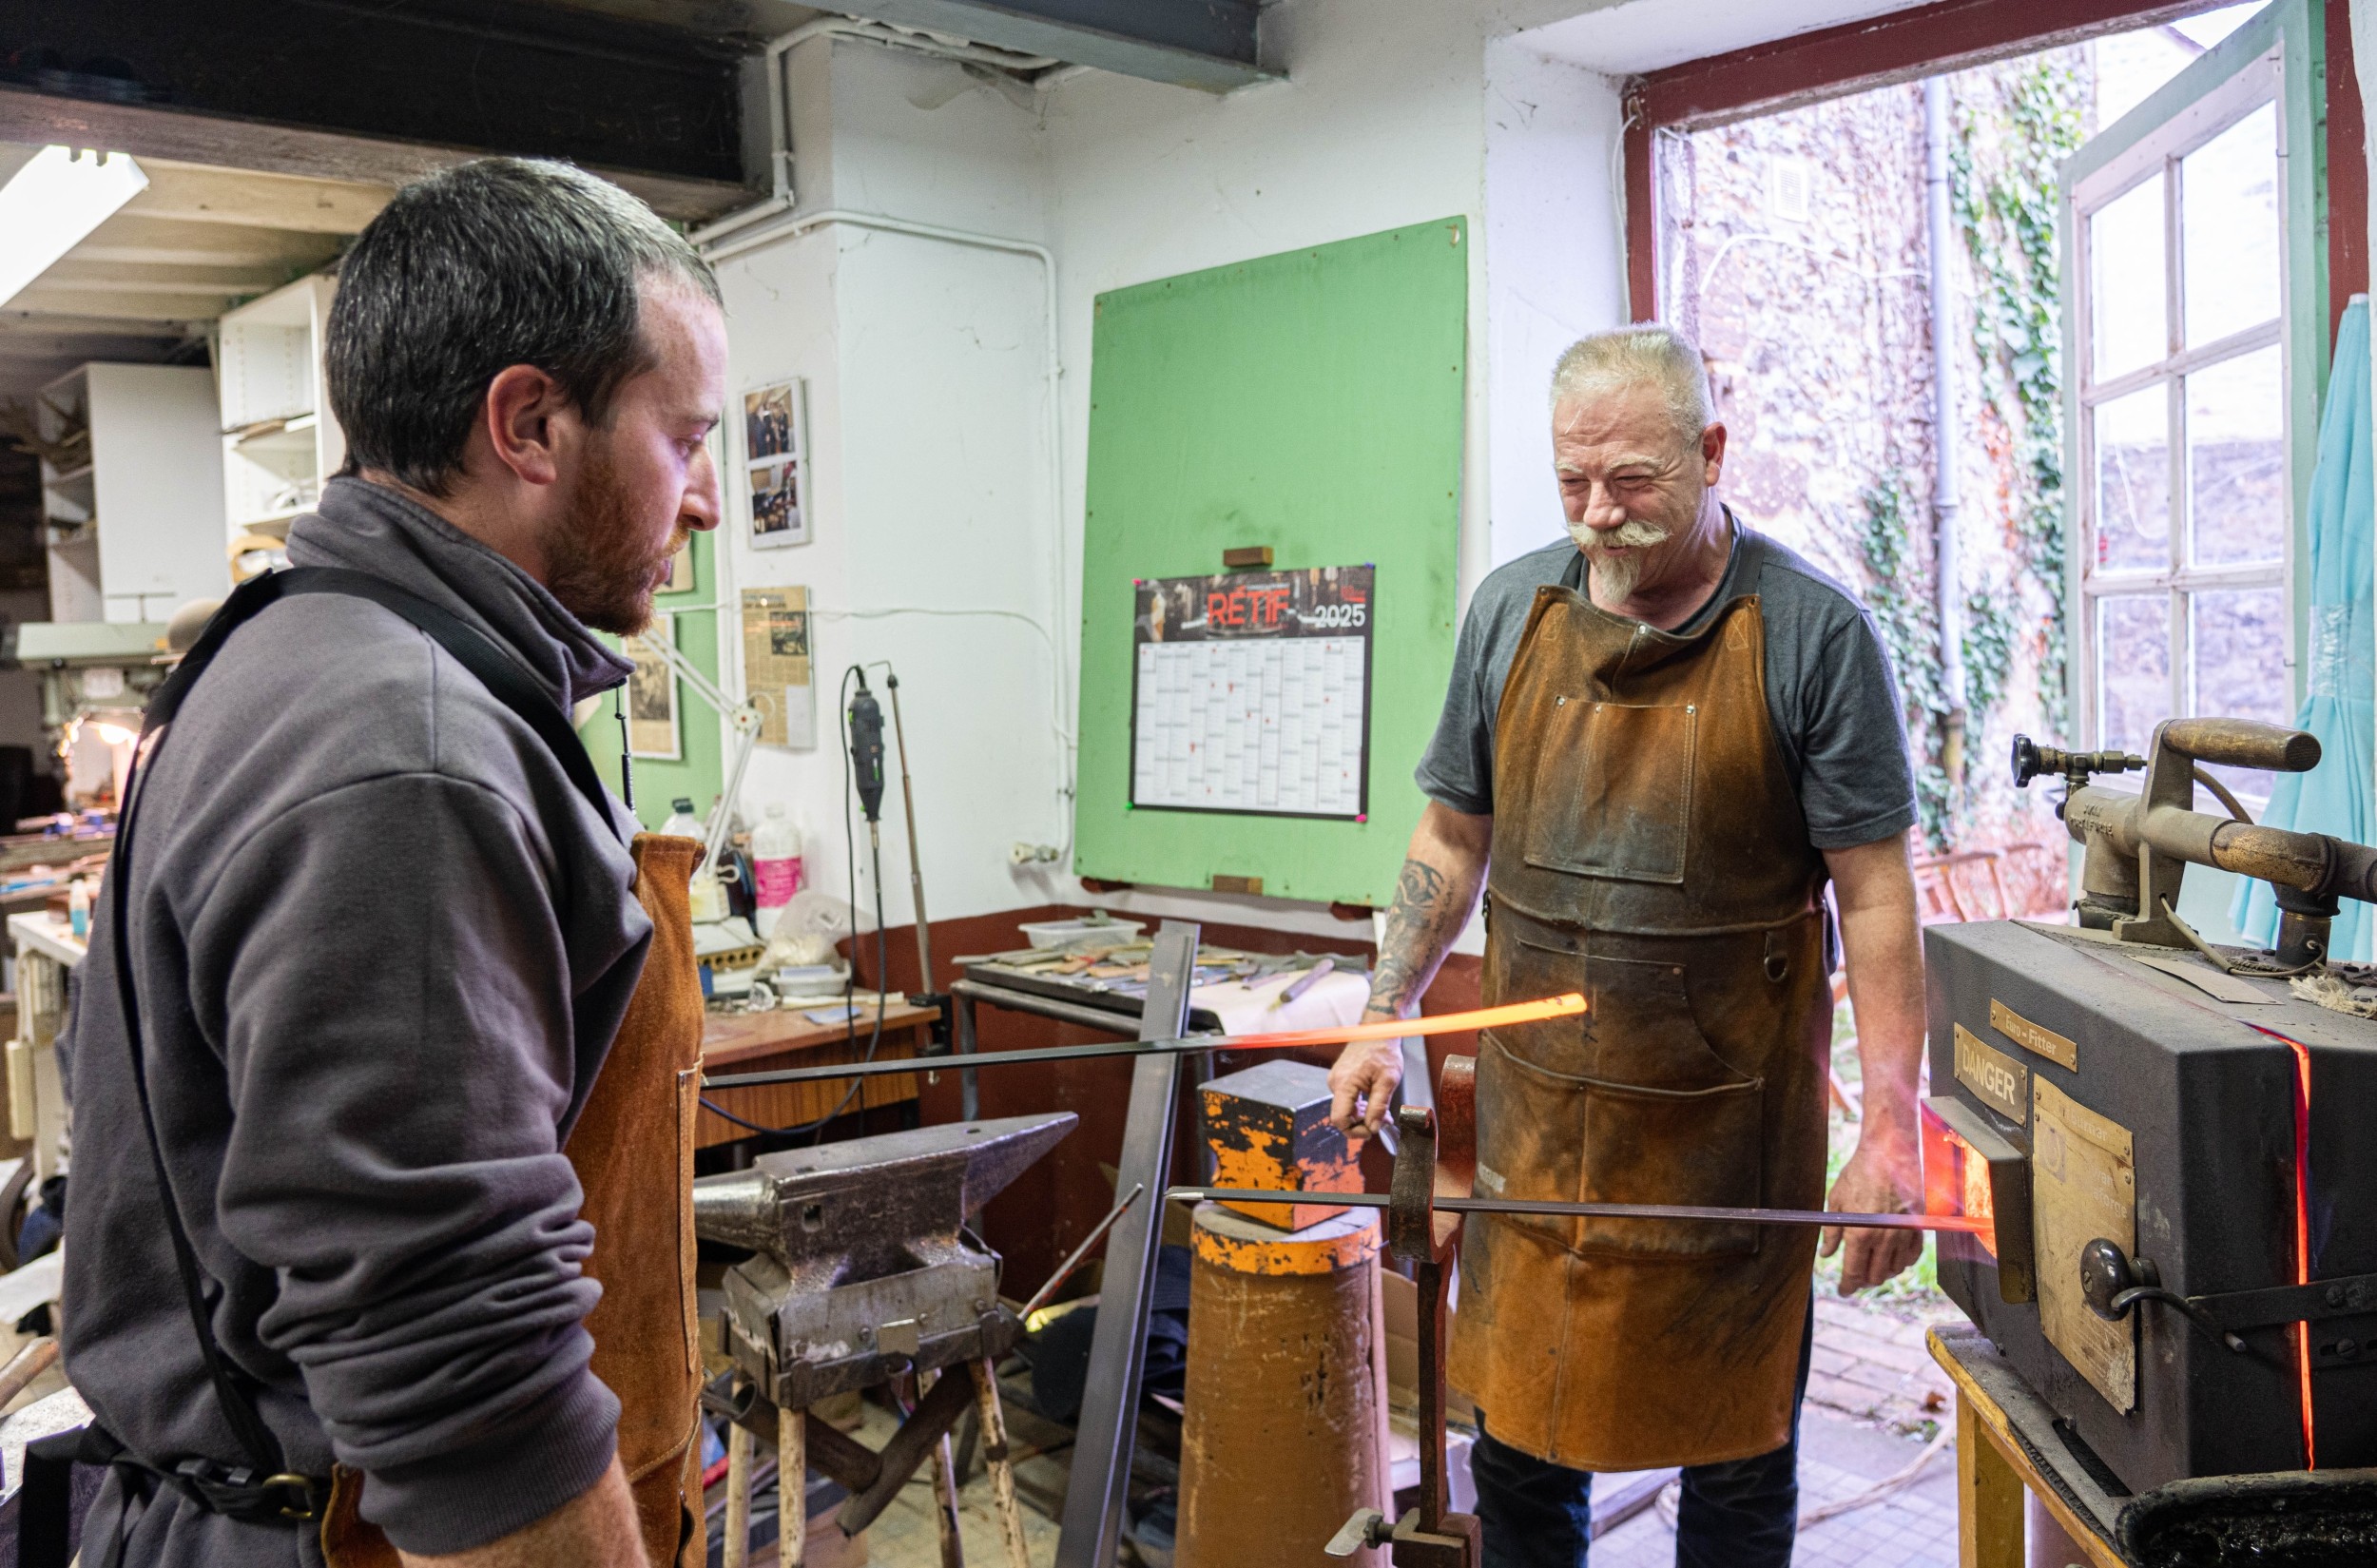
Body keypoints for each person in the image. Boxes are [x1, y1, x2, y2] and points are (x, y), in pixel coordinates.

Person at [57, 158, 726, 1567]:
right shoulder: (403, 744)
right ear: (531, 424)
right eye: (686, 439)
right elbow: (468, 1399)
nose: (710, 499)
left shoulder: (322, 646)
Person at [1327, 325, 1927, 1568]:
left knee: (1738, 1478)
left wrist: (1888, 1126)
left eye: (1634, 481)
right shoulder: (1512, 611)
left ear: (1710, 450)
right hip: (1543, 1151)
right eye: (1573, 483)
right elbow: (1449, 836)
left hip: (1728, 1152)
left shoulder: (1813, 633)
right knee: (1522, 1471)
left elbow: (1874, 896)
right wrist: (1387, 1005)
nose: (1600, 514)